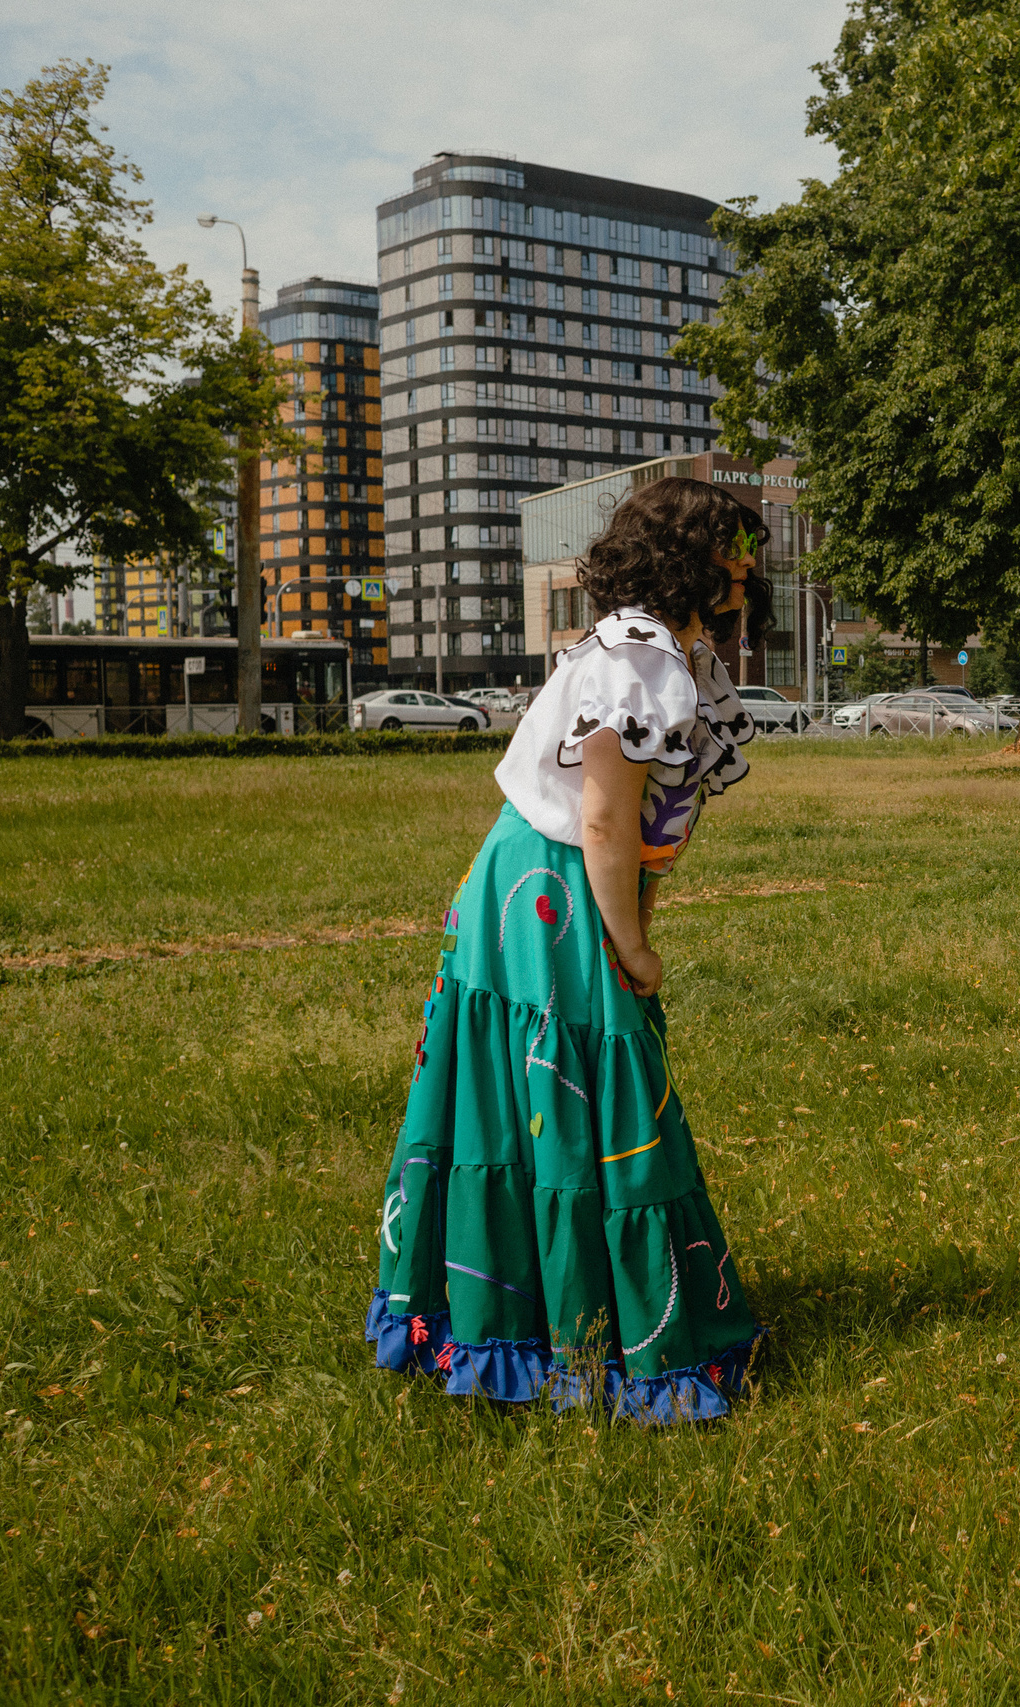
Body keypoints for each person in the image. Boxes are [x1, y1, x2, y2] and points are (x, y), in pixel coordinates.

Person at [367, 476, 769, 1423]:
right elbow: (603, 815)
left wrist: (640, 918)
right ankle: (595, 1337)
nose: (748, 572)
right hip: (548, 894)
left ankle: (548, 1317)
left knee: (545, 1099)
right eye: (734, 554)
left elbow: (656, 821)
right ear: (694, 564)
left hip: (550, 885)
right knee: (585, 1093)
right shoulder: (642, 663)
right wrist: (631, 946)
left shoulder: (664, 654)